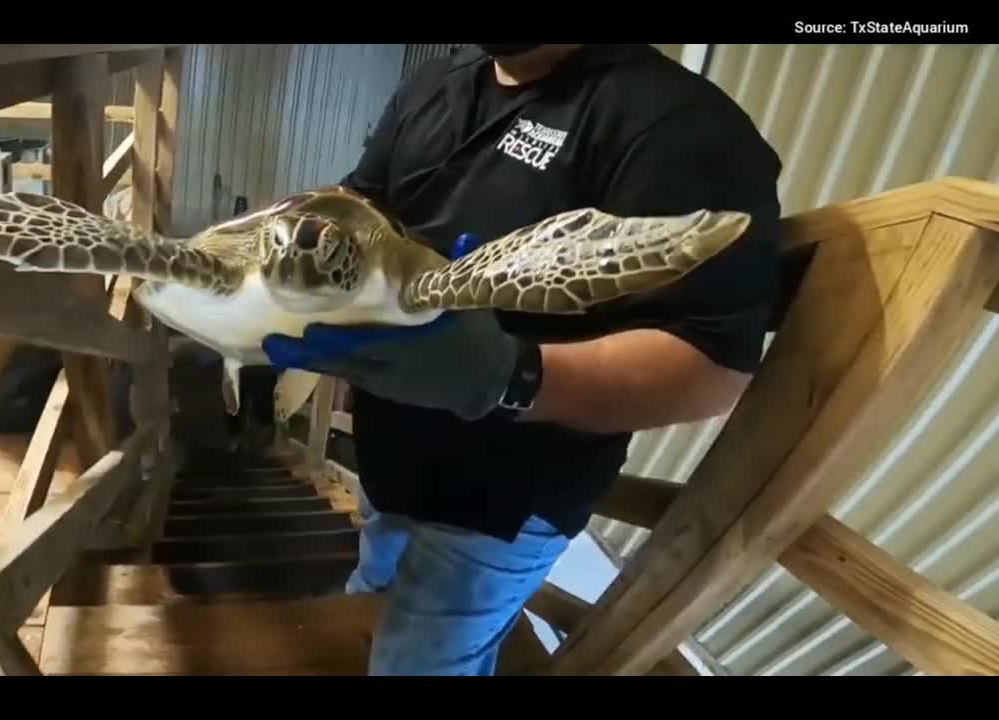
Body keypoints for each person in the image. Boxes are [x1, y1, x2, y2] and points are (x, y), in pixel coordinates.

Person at [261, 44, 784, 675]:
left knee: (420, 662)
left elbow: (710, 369)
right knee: (371, 596)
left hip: (504, 497)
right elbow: (360, 205)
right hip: (387, 455)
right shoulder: (437, 82)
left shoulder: (677, 124)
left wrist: (512, 376)